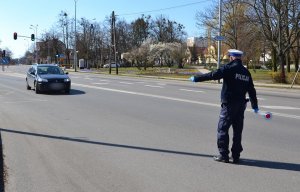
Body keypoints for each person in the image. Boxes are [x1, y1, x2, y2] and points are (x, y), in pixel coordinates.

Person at [189, 49, 259, 164]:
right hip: (241, 105)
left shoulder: (229, 68)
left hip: (229, 104)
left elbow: (213, 75)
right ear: (239, 58)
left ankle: (223, 155)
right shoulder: (246, 72)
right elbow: (251, 90)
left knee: (222, 129)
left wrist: (197, 78)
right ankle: (236, 156)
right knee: (237, 131)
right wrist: (255, 105)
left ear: (231, 57)